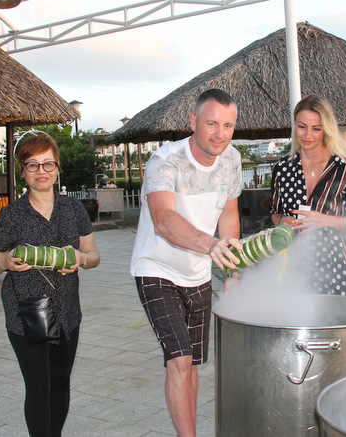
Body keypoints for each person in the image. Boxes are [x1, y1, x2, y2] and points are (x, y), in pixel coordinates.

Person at [130, 89, 242, 437]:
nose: (219, 133)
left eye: (227, 125)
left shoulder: (232, 160)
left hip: (199, 275)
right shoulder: (165, 161)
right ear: (193, 121)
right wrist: (210, 245)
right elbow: (163, 220)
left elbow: (230, 215)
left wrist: (233, 272)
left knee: (192, 364)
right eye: (211, 123)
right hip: (156, 269)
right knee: (178, 358)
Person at [0, 134, 100, 436]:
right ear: (22, 170)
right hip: (25, 311)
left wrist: (81, 259)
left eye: (48, 163)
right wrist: (6, 260)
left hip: (67, 311)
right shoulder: (11, 215)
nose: (41, 171)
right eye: (32, 164)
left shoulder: (74, 209)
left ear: (57, 167)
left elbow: (94, 255)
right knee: (38, 386)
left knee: (60, 382)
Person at [271, 94, 346, 296]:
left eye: (316, 128)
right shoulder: (282, 168)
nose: (308, 134)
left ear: (326, 129)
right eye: (302, 126)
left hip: (336, 267)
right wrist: (282, 220)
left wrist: (325, 220)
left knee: (339, 326)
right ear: (294, 127)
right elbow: (275, 212)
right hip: (294, 266)